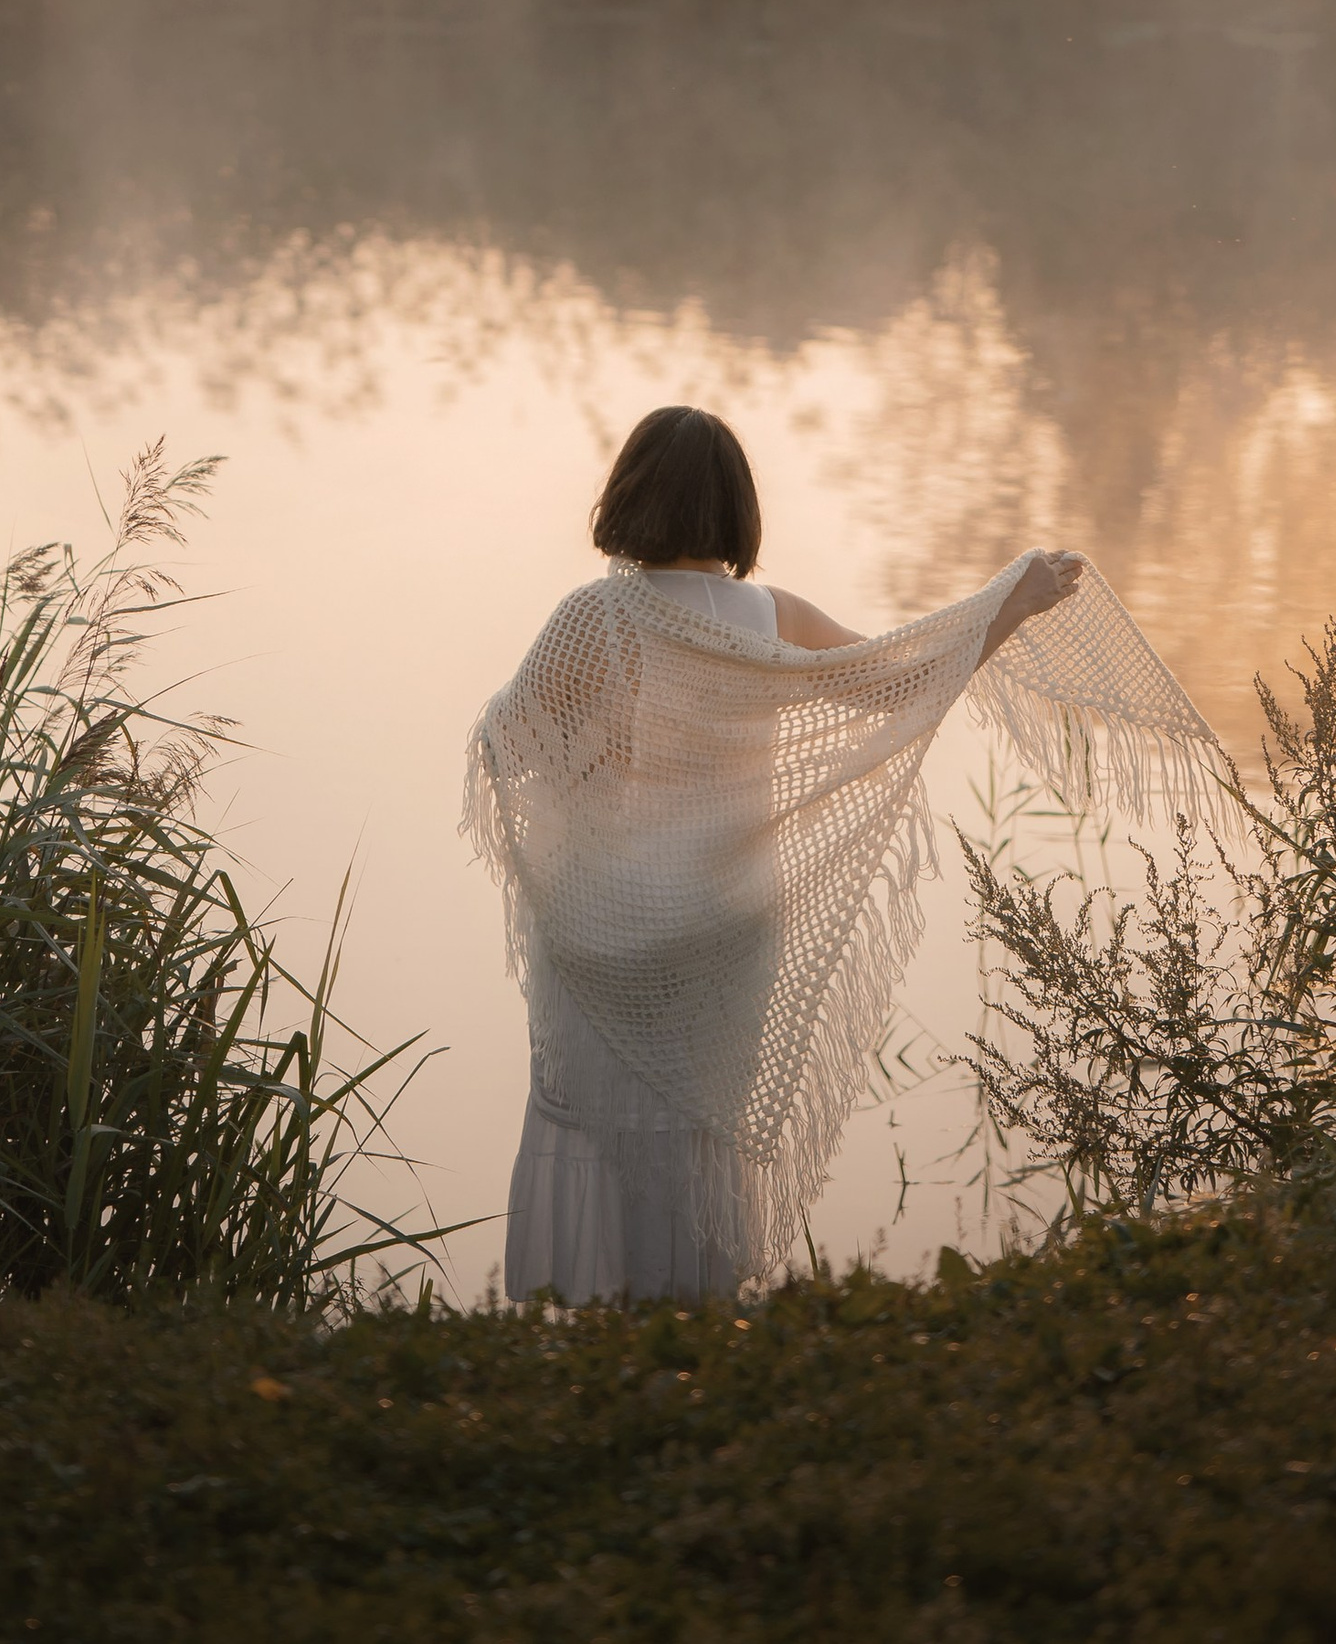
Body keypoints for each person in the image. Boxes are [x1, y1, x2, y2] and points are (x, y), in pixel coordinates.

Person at [464, 401, 1216, 1307]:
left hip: (612, 927)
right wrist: (1002, 610)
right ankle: (697, 1317)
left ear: (627, 497)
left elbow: (509, 744)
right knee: (704, 1131)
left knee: (614, 1126)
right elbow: (904, 678)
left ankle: (617, 1324)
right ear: (737, 510)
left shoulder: (595, 618)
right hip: (729, 919)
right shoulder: (769, 614)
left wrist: (593, 783)